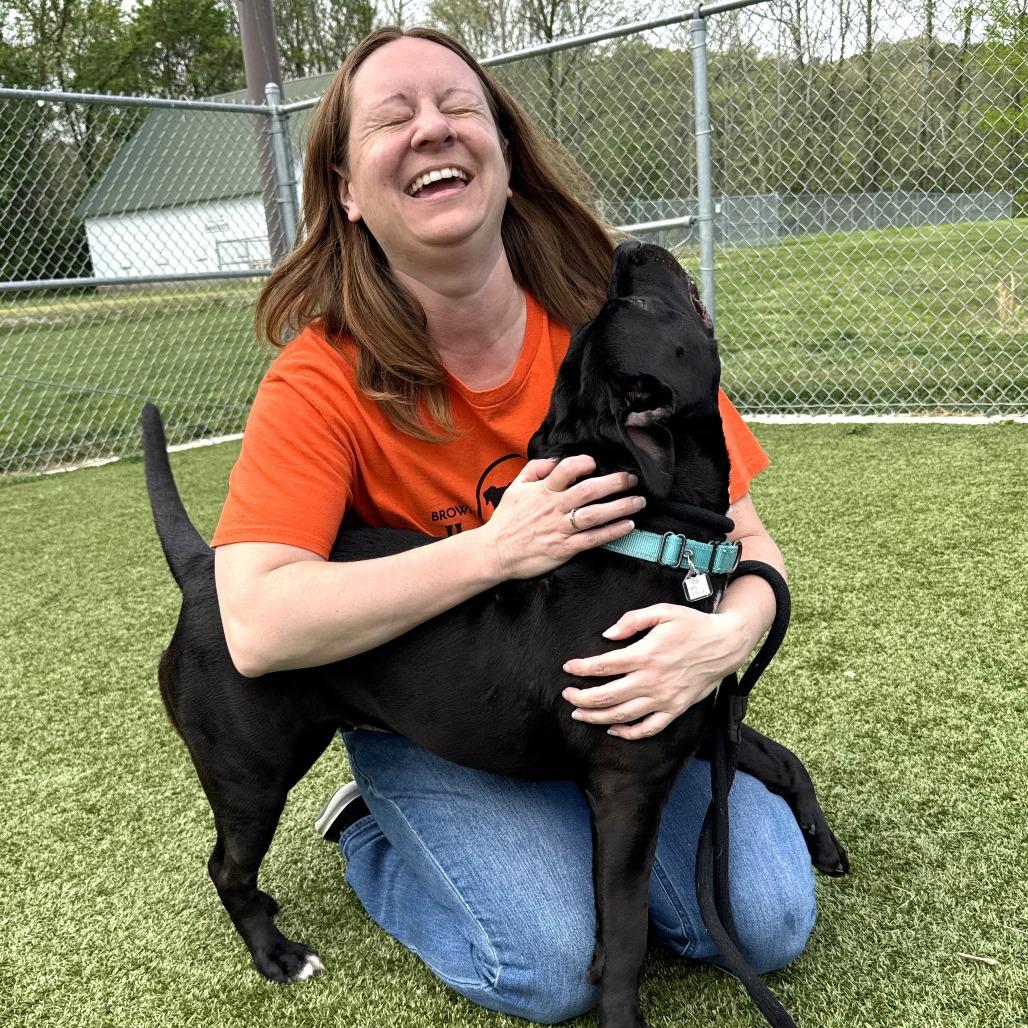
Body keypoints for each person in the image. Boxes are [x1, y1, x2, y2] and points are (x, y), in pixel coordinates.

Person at [211, 25, 815, 1024]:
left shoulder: (609, 333)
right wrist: (495, 547)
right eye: (391, 117)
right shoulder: (319, 379)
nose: (429, 129)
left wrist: (719, 640)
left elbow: (747, 542)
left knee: (762, 918)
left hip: (608, 702)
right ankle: (374, 826)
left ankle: (562, 812)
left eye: (455, 106)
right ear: (347, 189)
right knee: (537, 962)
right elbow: (257, 622)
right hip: (440, 713)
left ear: (500, 150)